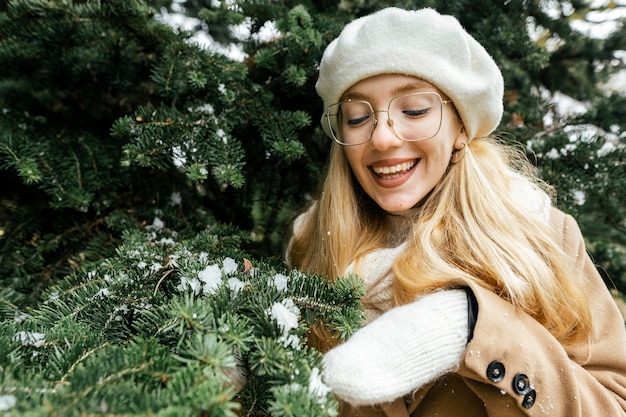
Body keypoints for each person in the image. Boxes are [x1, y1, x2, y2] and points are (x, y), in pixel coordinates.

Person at [286, 7, 626, 417]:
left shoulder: (543, 237)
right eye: (358, 117)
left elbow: (612, 405)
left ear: (461, 126)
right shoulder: (310, 248)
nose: (382, 137)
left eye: (414, 110)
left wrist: (471, 327)